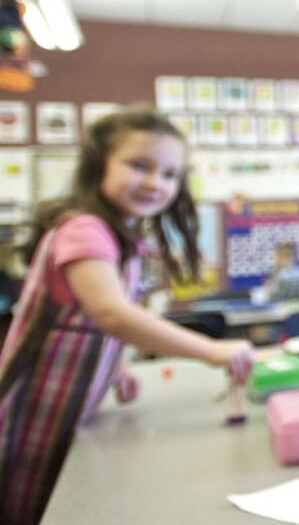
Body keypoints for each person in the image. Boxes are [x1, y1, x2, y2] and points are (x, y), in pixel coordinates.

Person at [0, 107, 255, 525]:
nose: (156, 182)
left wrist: (115, 364)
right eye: (139, 166)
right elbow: (110, 313)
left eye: (171, 174)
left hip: (68, 413)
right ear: (101, 164)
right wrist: (213, 350)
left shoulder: (122, 235)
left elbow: (86, 316)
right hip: (30, 416)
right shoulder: (85, 229)